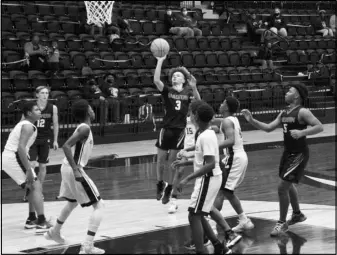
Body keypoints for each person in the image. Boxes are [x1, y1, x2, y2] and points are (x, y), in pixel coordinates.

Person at [241, 83, 324, 236]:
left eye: (289, 91)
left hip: (299, 154)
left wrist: (301, 132)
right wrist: (251, 120)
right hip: (287, 152)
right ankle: (297, 214)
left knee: (282, 188)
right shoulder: (284, 112)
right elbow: (268, 128)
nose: (286, 93)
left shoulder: (303, 112)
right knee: (288, 183)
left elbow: (319, 127)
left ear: (297, 95)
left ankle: (281, 223)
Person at [44, 99, 105, 254]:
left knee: (71, 203)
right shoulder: (84, 128)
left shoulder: (84, 128)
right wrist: (76, 170)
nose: (93, 110)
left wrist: (103, 157)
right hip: (72, 169)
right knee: (99, 205)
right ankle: (87, 246)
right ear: (86, 111)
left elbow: (80, 157)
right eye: (90, 107)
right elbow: (66, 146)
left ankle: (54, 232)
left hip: (67, 168)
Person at [172, 102, 231, 254]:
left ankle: (201, 250)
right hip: (208, 178)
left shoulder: (206, 136)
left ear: (196, 117)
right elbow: (203, 160)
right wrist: (185, 161)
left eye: (191, 113)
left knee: (193, 215)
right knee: (199, 214)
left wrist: (186, 179)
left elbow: (211, 164)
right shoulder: (204, 133)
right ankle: (218, 245)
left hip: (209, 178)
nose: (190, 115)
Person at [153, 54, 201, 205]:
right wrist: (160, 61)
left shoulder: (188, 92)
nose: (175, 77)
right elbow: (156, 80)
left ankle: (170, 188)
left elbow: (199, 104)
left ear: (184, 79)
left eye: (178, 75)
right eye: (173, 75)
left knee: (173, 162)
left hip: (180, 130)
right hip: (165, 128)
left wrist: (194, 87)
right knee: (161, 159)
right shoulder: (167, 90)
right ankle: (160, 184)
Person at [2, 101, 52, 233]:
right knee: (35, 186)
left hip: (11, 157)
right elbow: (20, 148)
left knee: (32, 186)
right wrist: (29, 169)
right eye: (36, 109)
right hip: (13, 157)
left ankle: (31, 219)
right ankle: (41, 222)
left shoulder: (26, 124)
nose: (39, 111)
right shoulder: (28, 126)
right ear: (29, 113)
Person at [212, 97, 254, 235]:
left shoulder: (228, 121)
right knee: (224, 190)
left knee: (223, 191)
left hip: (234, 158)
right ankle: (243, 220)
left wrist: (212, 146)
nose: (220, 103)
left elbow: (231, 140)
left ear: (227, 107)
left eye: (223, 102)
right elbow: (217, 122)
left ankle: (212, 224)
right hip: (236, 157)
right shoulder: (231, 119)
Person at [22, 86, 59, 202]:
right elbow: (22, 121)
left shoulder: (53, 108)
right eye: (42, 93)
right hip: (32, 139)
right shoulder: (31, 107)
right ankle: (28, 191)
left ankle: (39, 191)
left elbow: (56, 124)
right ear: (37, 94)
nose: (45, 95)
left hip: (45, 140)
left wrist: (55, 140)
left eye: (47, 93)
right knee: (31, 166)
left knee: (43, 166)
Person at [168, 100, 200, 214]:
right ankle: (173, 200)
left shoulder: (199, 121)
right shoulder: (183, 120)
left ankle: (198, 198)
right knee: (179, 171)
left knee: (200, 174)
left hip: (198, 151)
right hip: (186, 150)